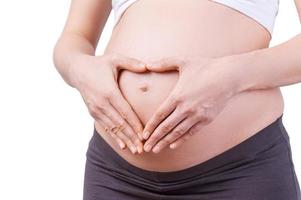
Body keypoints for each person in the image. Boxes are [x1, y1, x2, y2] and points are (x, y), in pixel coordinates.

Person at [53, 0, 301, 199]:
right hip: (115, 174)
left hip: (238, 173)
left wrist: (230, 77)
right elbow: (75, 36)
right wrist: (80, 68)